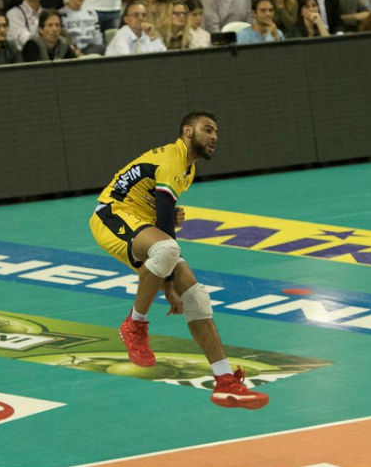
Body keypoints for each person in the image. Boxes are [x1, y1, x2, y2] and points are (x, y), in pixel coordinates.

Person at [89, 111, 269, 410]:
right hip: (113, 214)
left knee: (196, 296)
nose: (214, 137)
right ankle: (134, 325)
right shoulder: (173, 158)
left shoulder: (188, 169)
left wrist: (168, 217)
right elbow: (163, 225)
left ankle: (224, 380)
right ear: (187, 131)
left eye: (216, 132)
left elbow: (160, 213)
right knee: (167, 251)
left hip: (140, 221)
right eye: (207, 129)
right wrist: (169, 285)